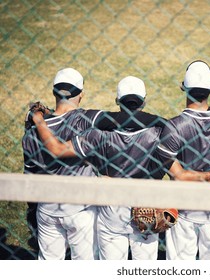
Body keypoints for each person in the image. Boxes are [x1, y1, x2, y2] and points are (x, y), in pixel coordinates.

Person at [31, 75, 210, 260]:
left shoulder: (98, 135)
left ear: (117, 101)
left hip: (111, 212)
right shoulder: (159, 135)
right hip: (147, 209)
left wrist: (39, 120)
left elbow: (58, 149)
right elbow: (179, 174)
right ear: (144, 101)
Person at [22, 68, 165, 260]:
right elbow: (126, 118)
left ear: (54, 92)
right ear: (81, 94)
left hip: (46, 207)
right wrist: (168, 123)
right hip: (81, 208)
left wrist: (40, 118)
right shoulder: (86, 120)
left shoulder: (31, 133)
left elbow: (29, 175)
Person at [149, 60, 210, 260]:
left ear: (182, 87)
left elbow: (177, 175)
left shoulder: (174, 126)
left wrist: (196, 175)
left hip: (183, 209)